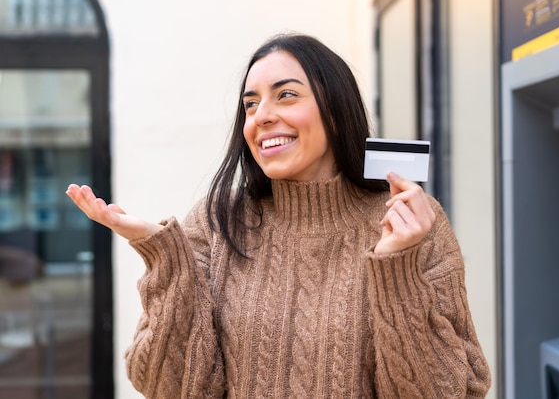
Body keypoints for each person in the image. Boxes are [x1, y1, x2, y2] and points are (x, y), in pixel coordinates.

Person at [66, 33, 491, 398]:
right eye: (251, 105)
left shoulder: (412, 222)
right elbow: (167, 386)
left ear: (336, 113)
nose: (261, 116)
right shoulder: (219, 221)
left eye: (285, 94)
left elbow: (452, 390)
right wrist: (166, 259)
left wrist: (398, 267)